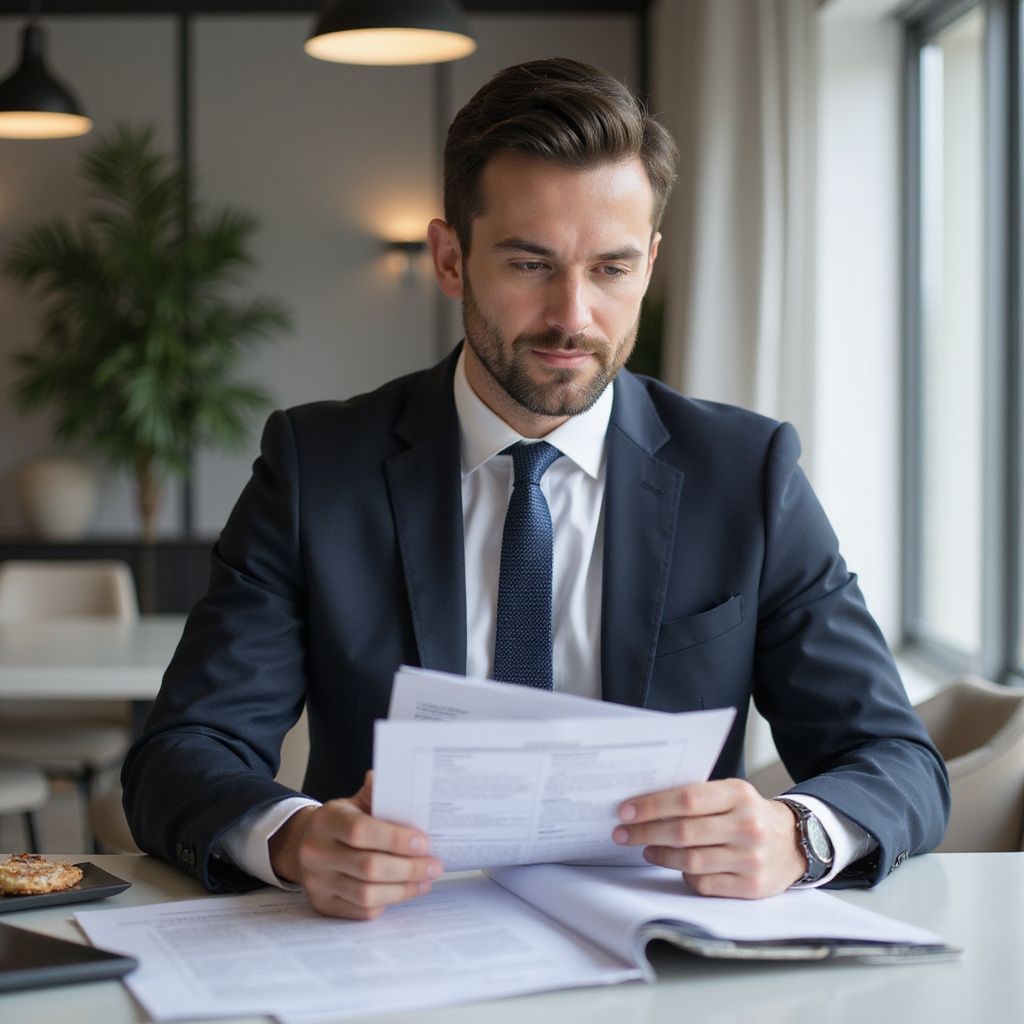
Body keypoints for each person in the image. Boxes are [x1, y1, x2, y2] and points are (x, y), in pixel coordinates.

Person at [122, 57, 949, 920]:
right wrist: (292, 840)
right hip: (385, 949)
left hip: (665, 957)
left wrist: (797, 834)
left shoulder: (747, 474)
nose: (572, 317)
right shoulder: (317, 466)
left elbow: (895, 760)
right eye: (530, 264)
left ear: (651, 265)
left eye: (611, 270)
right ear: (451, 258)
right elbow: (181, 753)